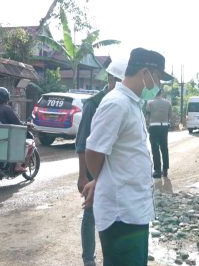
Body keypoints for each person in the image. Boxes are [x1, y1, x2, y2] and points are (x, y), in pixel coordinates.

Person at [82, 47, 173, 266]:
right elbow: (93, 151)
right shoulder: (117, 104)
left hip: (132, 211)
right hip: (121, 214)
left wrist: (100, 179)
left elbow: (119, 156)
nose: (158, 84)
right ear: (146, 73)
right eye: (158, 78)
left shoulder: (132, 103)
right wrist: (102, 180)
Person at [75, 58, 127, 266]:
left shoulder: (123, 101)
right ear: (110, 79)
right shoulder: (94, 104)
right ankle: (89, 259)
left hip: (114, 169)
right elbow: (82, 144)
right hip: (93, 169)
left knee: (113, 213)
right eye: (119, 81)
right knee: (90, 213)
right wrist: (82, 175)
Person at [0, 87, 26, 172]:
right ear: (6, 97)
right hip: (3, 136)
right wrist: (25, 125)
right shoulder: (7, 109)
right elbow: (17, 122)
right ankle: (17, 166)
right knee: (22, 143)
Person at [146, 89, 172, 178]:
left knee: (155, 149)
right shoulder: (168, 103)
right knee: (164, 148)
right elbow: (170, 116)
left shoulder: (150, 103)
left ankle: (157, 170)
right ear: (161, 93)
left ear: (154, 93)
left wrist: (147, 125)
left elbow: (147, 115)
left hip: (154, 127)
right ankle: (165, 170)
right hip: (164, 127)